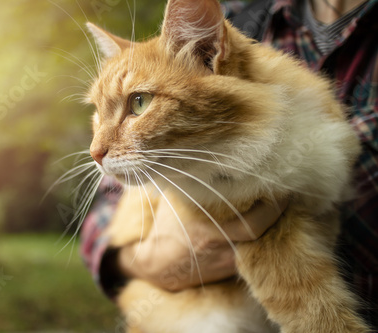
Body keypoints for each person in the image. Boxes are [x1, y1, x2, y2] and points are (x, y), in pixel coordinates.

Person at [79, 0, 378, 328]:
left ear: (208, 54)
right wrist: (146, 260)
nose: (98, 149)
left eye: (138, 102)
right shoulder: (246, 10)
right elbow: (102, 216)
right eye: (98, 111)